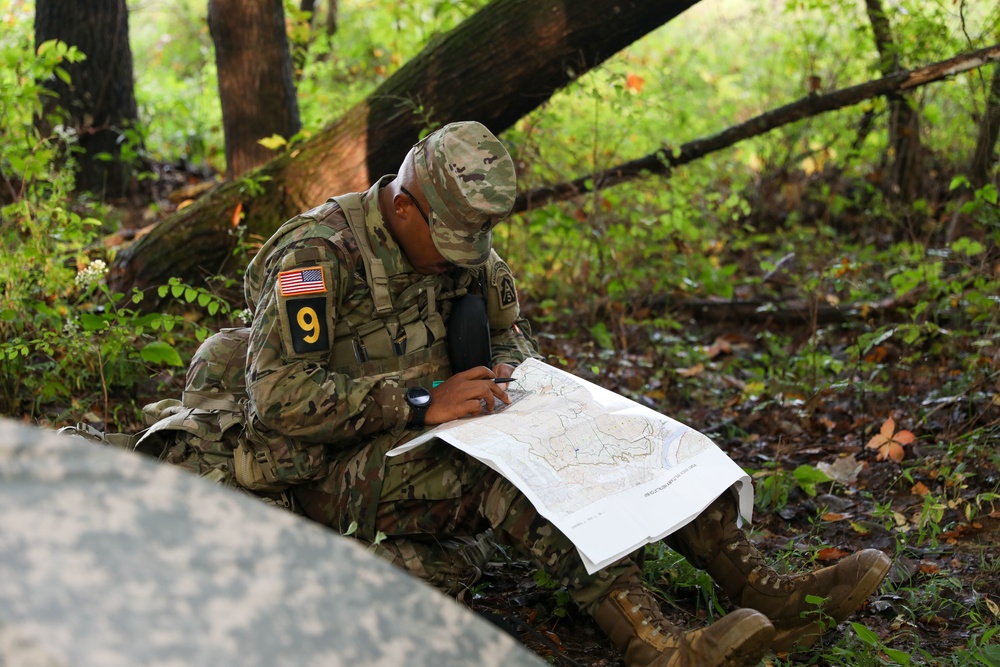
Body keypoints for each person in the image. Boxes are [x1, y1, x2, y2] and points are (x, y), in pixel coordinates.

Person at [127, 121, 890, 667]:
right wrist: (425, 403)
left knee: (616, 430)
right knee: (502, 475)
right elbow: (280, 398)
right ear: (403, 205)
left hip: (433, 431)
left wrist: (536, 399)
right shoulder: (316, 256)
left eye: (476, 242)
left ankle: (762, 586)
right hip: (328, 472)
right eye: (452, 241)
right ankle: (653, 642)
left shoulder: (462, 247)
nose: (464, 260)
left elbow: (513, 343)